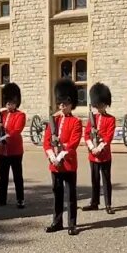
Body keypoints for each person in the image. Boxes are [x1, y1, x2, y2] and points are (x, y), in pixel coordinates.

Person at [43, 78, 83, 235]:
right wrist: (52, 155)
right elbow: (46, 142)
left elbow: (73, 143)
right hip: (54, 163)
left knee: (70, 195)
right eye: (60, 104)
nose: (62, 106)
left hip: (68, 163)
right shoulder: (54, 121)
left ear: (71, 104)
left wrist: (61, 155)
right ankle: (57, 221)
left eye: (65, 104)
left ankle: (72, 224)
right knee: (57, 194)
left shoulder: (76, 122)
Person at [0, 82, 26, 209]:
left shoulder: (20, 115)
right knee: (3, 176)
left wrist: (5, 137)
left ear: (16, 103)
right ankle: (1, 198)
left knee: (17, 176)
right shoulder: (2, 114)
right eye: (8, 102)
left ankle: (20, 199)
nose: (9, 105)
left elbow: (17, 130)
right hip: (2, 151)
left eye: (12, 103)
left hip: (15, 150)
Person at [83, 82, 116, 214]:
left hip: (104, 154)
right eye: (98, 105)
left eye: (102, 105)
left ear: (106, 104)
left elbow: (109, 137)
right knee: (94, 180)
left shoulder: (111, 119)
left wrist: (100, 148)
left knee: (106, 180)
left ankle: (108, 204)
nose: (100, 108)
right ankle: (94, 202)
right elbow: (86, 134)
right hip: (93, 154)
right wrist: (92, 147)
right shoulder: (93, 118)